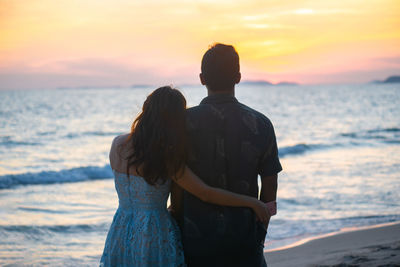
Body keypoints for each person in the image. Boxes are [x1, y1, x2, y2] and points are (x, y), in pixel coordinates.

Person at [99, 86, 272, 267]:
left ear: (145, 107)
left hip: (121, 229)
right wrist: (251, 202)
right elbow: (205, 193)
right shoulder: (165, 156)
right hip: (155, 233)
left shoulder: (117, 144)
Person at [173, 43, 282, 266]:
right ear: (238, 77)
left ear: (202, 78)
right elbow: (270, 186)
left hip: (194, 243)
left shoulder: (181, 123)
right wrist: (260, 233)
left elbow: (174, 185)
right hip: (245, 241)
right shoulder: (260, 124)